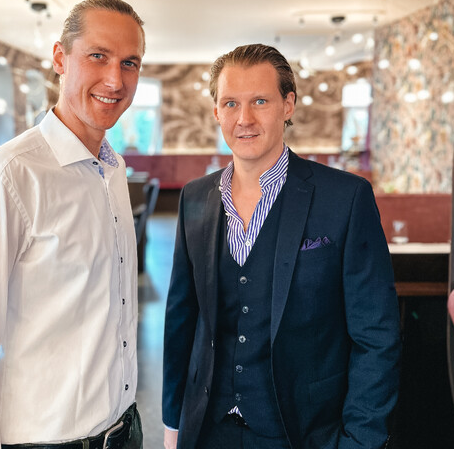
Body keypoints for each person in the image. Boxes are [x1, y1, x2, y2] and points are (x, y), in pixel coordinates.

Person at [162, 44, 401, 449]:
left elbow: (377, 335)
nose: (244, 118)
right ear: (216, 111)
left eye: (260, 101)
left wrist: (360, 441)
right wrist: (173, 426)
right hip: (207, 430)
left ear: (287, 105)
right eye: (231, 103)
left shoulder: (345, 198)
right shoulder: (195, 197)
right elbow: (181, 320)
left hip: (304, 432)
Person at [0, 0, 146, 449]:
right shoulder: (3, 178)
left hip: (124, 429)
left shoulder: (112, 170)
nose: (115, 79)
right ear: (60, 58)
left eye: (129, 63)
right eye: (98, 56)